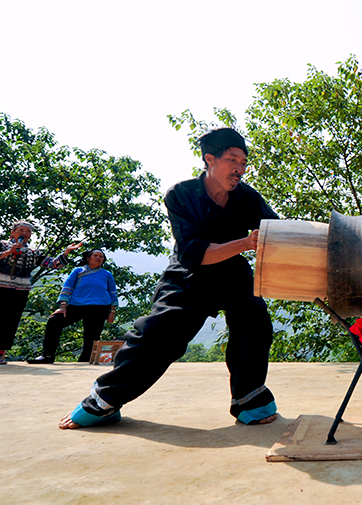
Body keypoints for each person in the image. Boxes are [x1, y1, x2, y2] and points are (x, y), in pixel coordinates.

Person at [60, 127, 280, 429]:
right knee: (160, 332)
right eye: (232, 160)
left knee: (254, 318)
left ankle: (249, 401)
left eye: (243, 163)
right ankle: (104, 401)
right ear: (209, 159)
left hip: (232, 274)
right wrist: (244, 243)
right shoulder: (181, 195)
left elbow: (279, 231)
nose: (239, 169)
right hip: (190, 275)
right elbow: (195, 253)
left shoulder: (248, 198)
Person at [0, 221, 82, 365]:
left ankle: (1, 353)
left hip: (20, 290)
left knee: (10, 321)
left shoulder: (33, 252)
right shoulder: (2, 245)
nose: (24, 233)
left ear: (30, 235)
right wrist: (9, 251)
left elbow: (52, 264)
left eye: (27, 231)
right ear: (12, 232)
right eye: (21, 230)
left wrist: (66, 252)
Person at [27, 249, 118, 364]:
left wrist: (112, 312)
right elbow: (67, 287)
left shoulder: (107, 274)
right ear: (88, 258)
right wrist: (63, 306)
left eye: (101, 257)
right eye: (95, 255)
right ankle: (47, 355)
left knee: (91, 338)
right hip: (77, 306)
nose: (98, 258)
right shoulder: (78, 271)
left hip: (99, 308)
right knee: (54, 321)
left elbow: (113, 293)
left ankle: (85, 362)